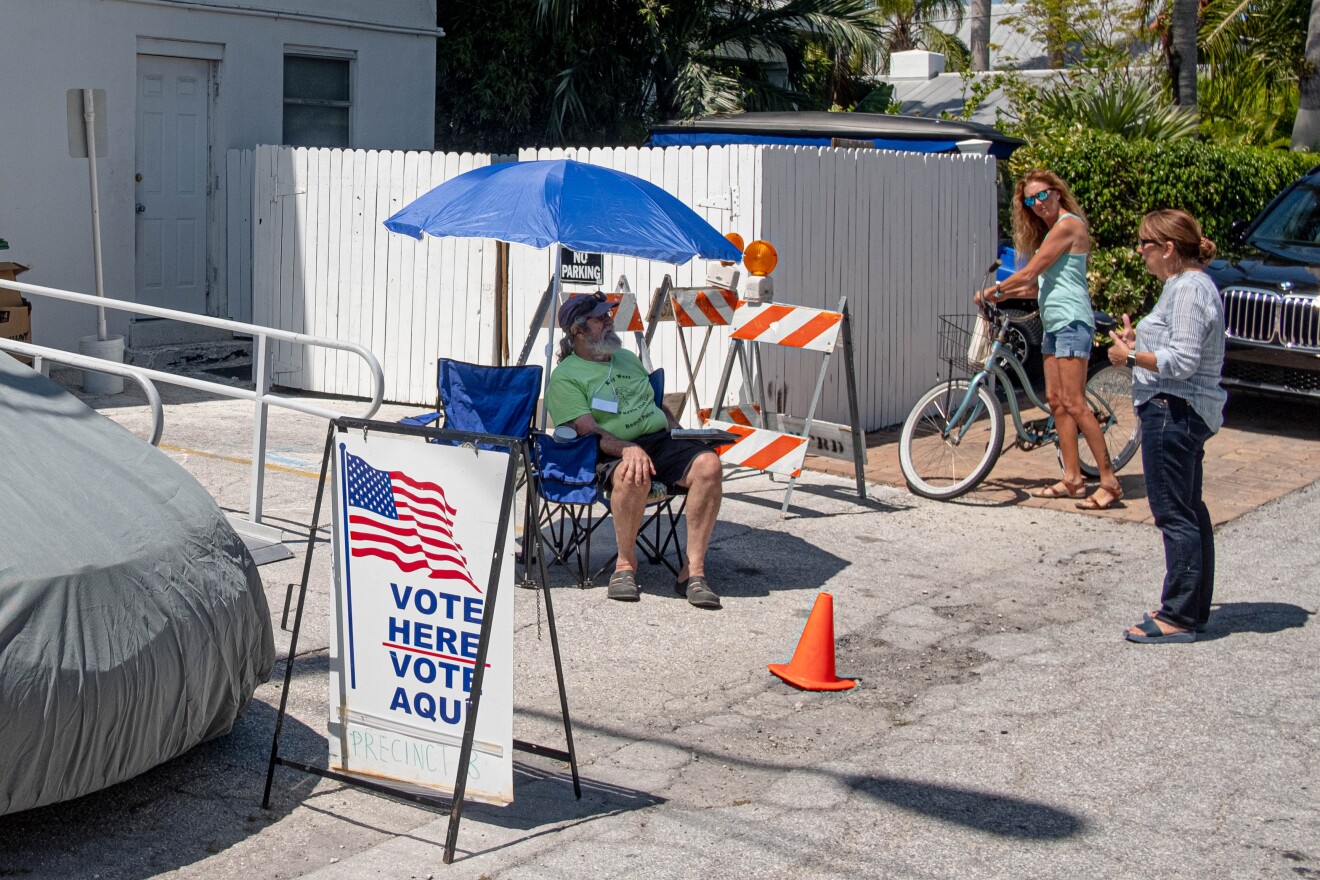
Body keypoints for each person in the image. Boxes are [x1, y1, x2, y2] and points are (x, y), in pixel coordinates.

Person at [545, 291, 725, 610]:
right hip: (606, 449)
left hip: (658, 440)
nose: (609, 320)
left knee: (709, 465)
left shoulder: (626, 357)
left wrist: (683, 433)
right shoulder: (566, 377)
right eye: (600, 318)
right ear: (577, 330)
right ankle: (625, 566)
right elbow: (588, 431)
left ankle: (693, 573)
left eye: (609, 315)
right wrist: (627, 449)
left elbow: (656, 407)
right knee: (632, 474)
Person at [1107, 209, 1226, 644]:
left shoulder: (1190, 289)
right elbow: (1177, 345)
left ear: (1169, 249)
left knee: (1175, 513)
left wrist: (1130, 358)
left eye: (1145, 243)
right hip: (1177, 408)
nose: (1140, 251)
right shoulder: (1183, 287)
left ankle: (1179, 614)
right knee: (1189, 509)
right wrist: (1142, 342)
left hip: (1173, 410)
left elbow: (1184, 361)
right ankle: (1190, 607)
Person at [976, 169, 1124, 510]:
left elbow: (1029, 273)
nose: (1038, 204)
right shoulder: (1049, 233)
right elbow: (1035, 285)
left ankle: (1109, 480)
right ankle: (1073, 479)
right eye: (1030, 200)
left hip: (1072, 320)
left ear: (1057, 193)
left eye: (1043, 195)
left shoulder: (1069, 225)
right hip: (1055, 322)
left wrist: (992, 289)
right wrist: (999, 298)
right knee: (1056, 401)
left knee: (1074, 402)